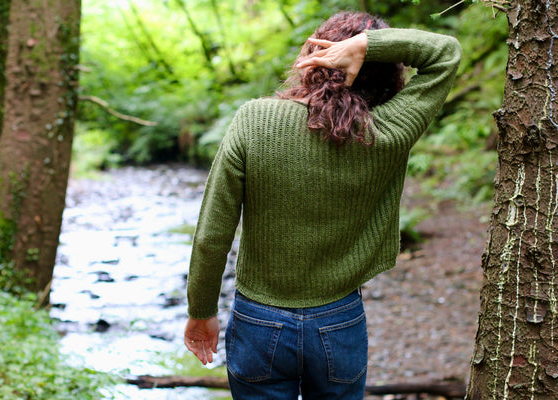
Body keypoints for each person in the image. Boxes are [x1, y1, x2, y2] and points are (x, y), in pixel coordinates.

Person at [184, 11, 461, 400]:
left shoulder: (254, 119)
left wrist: (201, 312)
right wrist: (369, 47)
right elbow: (445, 53)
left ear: (316, 56)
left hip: (258, 321)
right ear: (388, 75)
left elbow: (212, 234)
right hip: (339, 322)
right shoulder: (390, 131)